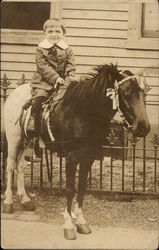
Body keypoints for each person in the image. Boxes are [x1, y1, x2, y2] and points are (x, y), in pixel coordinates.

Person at [26, 18, 76, 160]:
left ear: (63, 33)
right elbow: (43, 67)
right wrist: (55, 78)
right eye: (50, 31)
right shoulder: (40, 49)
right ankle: (34, 139)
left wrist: (69, 79)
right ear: (45, 33)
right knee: (38, 103)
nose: (54, 34)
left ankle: (66, 138)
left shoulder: (67, 49)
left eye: (57, 31)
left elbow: (71, 66)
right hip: (43, 82)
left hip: (63, 83)